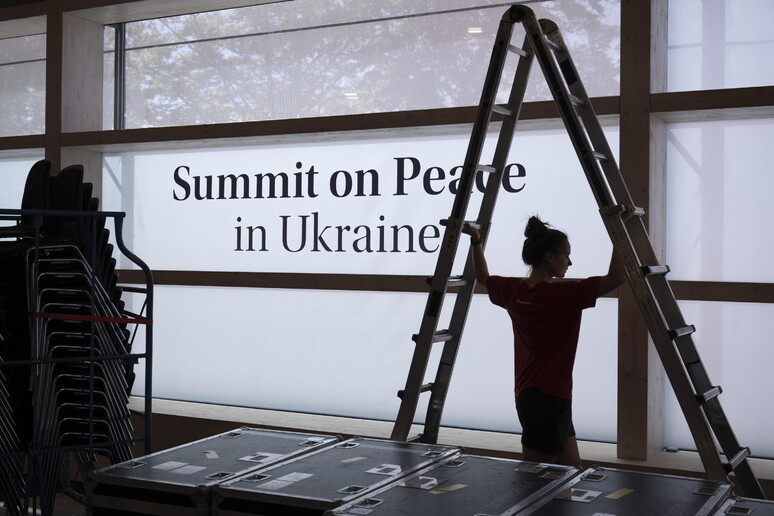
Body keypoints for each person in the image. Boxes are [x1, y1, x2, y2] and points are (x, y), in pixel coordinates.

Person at [462, 207, 632, 467]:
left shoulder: (512, 290)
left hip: (540, 397)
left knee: (570, 475)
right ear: (551, 257)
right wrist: (622, 229)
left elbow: (483, 278)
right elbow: (618, 277)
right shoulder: (564, 294)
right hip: (548, 401)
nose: (570, 263)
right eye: (567, 256)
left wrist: (475, 241)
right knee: (536, 486)